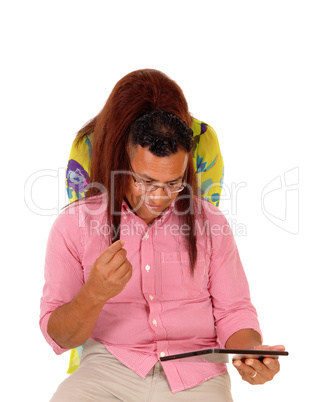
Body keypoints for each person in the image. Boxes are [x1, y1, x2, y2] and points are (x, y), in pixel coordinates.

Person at [40, 69, 285, 401]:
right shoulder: (76, 224)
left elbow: (234, 311)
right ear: (121, 163)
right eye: (144, 181)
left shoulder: (210, 222)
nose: (157, 197)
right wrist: (94, 293)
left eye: (172, 183)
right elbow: (60, 335)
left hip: (197, 371)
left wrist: (250, 351)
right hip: (110, 366)